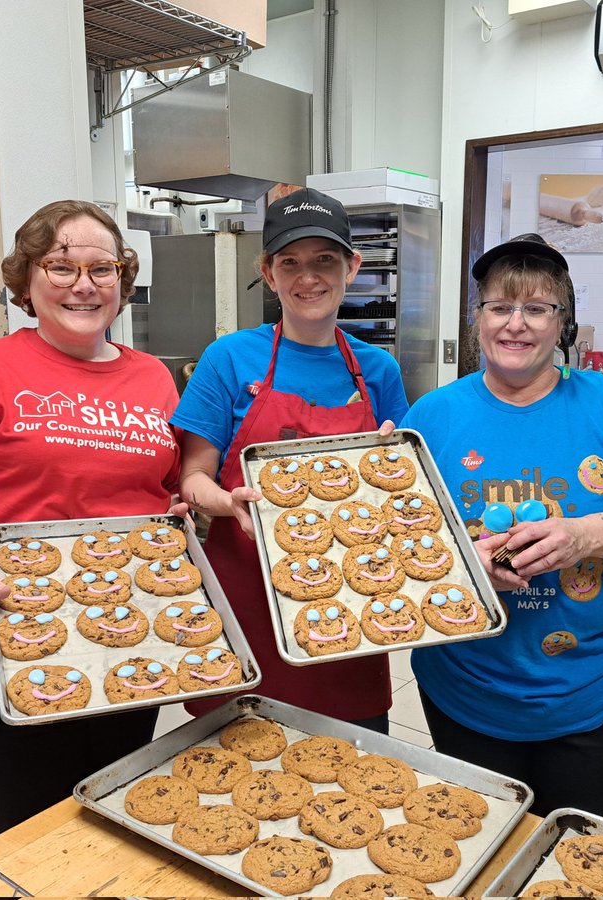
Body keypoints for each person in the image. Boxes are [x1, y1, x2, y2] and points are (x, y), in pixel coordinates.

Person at [0, 200, 182, 838]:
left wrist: (176, 518)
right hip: (0, 643)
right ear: (26, 280)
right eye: (61, 266)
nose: (84, 284)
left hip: (124, 639)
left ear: (122, 283)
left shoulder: (153, 377)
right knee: (29, 828)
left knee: (115, 810)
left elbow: (157, 490)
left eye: (102, 268)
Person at [401, 234, 603, 824]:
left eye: (537, 309)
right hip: (464, 691)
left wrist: (587, 535)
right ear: (477, 320)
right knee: (482, 857)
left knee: (582, 865)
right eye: (499, 308)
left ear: (562, 323)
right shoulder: (432, 416)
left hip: (587, 696)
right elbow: (402, 539)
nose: (517, 325)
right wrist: (465, 564)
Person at [172, 187, 409, 731]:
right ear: (268, 272)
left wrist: (390, 479)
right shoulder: (229, 358)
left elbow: (399, 487)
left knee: (351, 779)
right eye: (290, 262)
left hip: (350, 605)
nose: (309, 277)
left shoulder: (378, 370)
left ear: (353, 267)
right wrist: (228, 504)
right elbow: (193, 479)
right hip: (247, 594)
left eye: (325, 260)